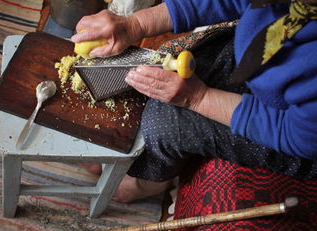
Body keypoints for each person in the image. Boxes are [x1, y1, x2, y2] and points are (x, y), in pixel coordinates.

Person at [71, 0, 317, 203]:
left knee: (167, 121)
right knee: (166, 59)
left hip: (297, 136)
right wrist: (133, 24)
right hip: (263, 57)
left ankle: (147, 183)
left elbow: (295, 136)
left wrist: (199, 98)